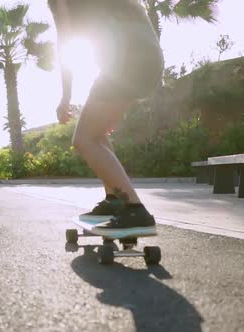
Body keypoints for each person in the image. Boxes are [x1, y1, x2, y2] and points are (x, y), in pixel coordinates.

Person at [48, 0, 164, 238]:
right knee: (95, 133)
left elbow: (65, 44)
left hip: (124, 62)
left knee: (83, 139)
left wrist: (65, 97)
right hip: (148, 58)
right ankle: (113, 199)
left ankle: (134, 209)